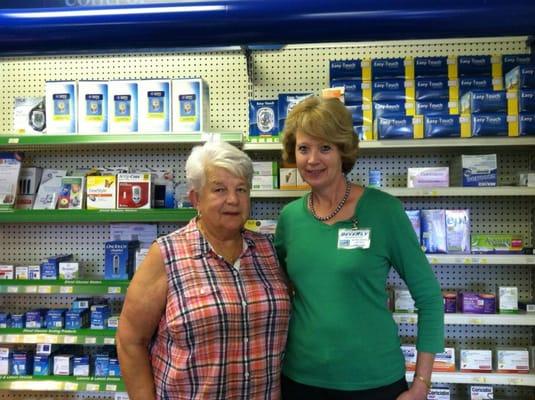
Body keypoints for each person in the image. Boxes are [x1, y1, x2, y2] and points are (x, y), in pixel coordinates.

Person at [274, 96, 444, 400]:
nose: (312, 160)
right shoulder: (289, 219)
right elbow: (279, 294)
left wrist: (421, 384)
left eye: (325, 147)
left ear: (343, 151)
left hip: (374, 382)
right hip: (301, 380)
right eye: (303, 148)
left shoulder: (385, 211)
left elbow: (430, 298)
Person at [117, 141, 291, 400]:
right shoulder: (166, 254)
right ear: (196, 198)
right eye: (219, 189)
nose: (233, 199)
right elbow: (130, 341)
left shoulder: (267, 250)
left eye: (241, 189)